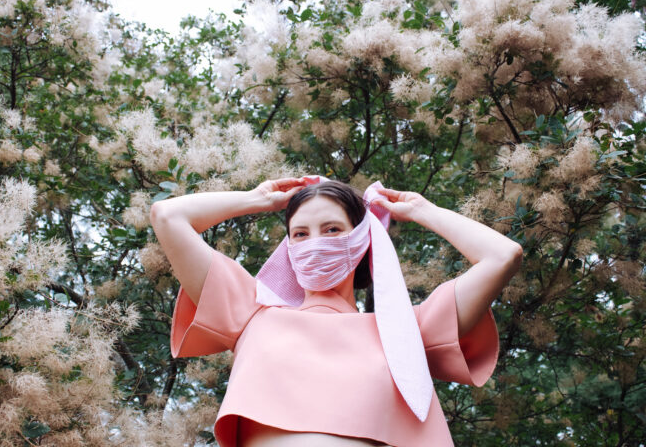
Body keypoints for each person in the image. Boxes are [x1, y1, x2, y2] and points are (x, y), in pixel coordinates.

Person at [149, 176, 523, 447]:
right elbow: (167, 216)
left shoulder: (406, 332)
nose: (315, 244)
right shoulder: (252, 312)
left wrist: (423, 210)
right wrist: (257, 199)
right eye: (300, 233)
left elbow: (502, 256)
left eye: (331, 229)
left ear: (361, 238)